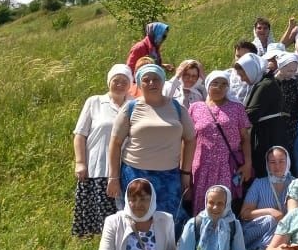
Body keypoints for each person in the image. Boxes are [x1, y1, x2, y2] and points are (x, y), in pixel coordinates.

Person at [106, 63, 197, 236]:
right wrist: (113, 177)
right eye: (146, 80)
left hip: (169, 176)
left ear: (163, 82)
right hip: (135, 174)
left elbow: (190, 140)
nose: (151, 83)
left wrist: (185, 173)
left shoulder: (177, 108)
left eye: (156, 79)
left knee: (170, 221)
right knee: (137, 219)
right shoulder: (130, 108)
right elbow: (115, 143)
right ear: (139, 84)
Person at [72, 64, 132, 236]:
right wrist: (80, 162)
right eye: (116, 80)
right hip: (98, 166)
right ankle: (95, 244)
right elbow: (80, 135)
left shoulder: (134, 105)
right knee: (98, 216)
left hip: (125, 168)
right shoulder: (95, 102)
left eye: (124, 81)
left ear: (130, 84)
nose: (119, 84)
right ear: (109, 82)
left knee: (122, 216)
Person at [190, 70, 253, 210]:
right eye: (215, 83)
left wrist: (248, 164)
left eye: (224, 84)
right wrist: (185, 170)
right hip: (201, 166)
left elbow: (245, 138)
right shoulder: (195, 107)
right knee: (202, 204)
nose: (219, 87)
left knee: (224, 204)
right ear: (207, 85)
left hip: (227, 166)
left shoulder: (237, 108)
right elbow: (189, 140)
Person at [235, 52, 289, 177]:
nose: (242, 79)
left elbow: (251, 114)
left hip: (269, 135)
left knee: (267, 170)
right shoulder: (262, 83)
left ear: (251, 70)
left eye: (243, 75)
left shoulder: (266, 85)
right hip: (267, 132)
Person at [240, 146, 293, 250]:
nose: (277, 166)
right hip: (257, 230)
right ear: (267, 164)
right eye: (272, 162)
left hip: (284, 231)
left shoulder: (295, 183)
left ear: (287, 162)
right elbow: (244, 214)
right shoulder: (259, 184)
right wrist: (270, 211)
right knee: (270, 220)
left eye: (281, 161)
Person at [275, 53, 298, 151]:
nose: (292, 74)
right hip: (274, 125)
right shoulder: (271, 83)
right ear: (281, 67)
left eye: (294, 71)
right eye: (289, 71)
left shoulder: (295, 84)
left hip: (291, 127)